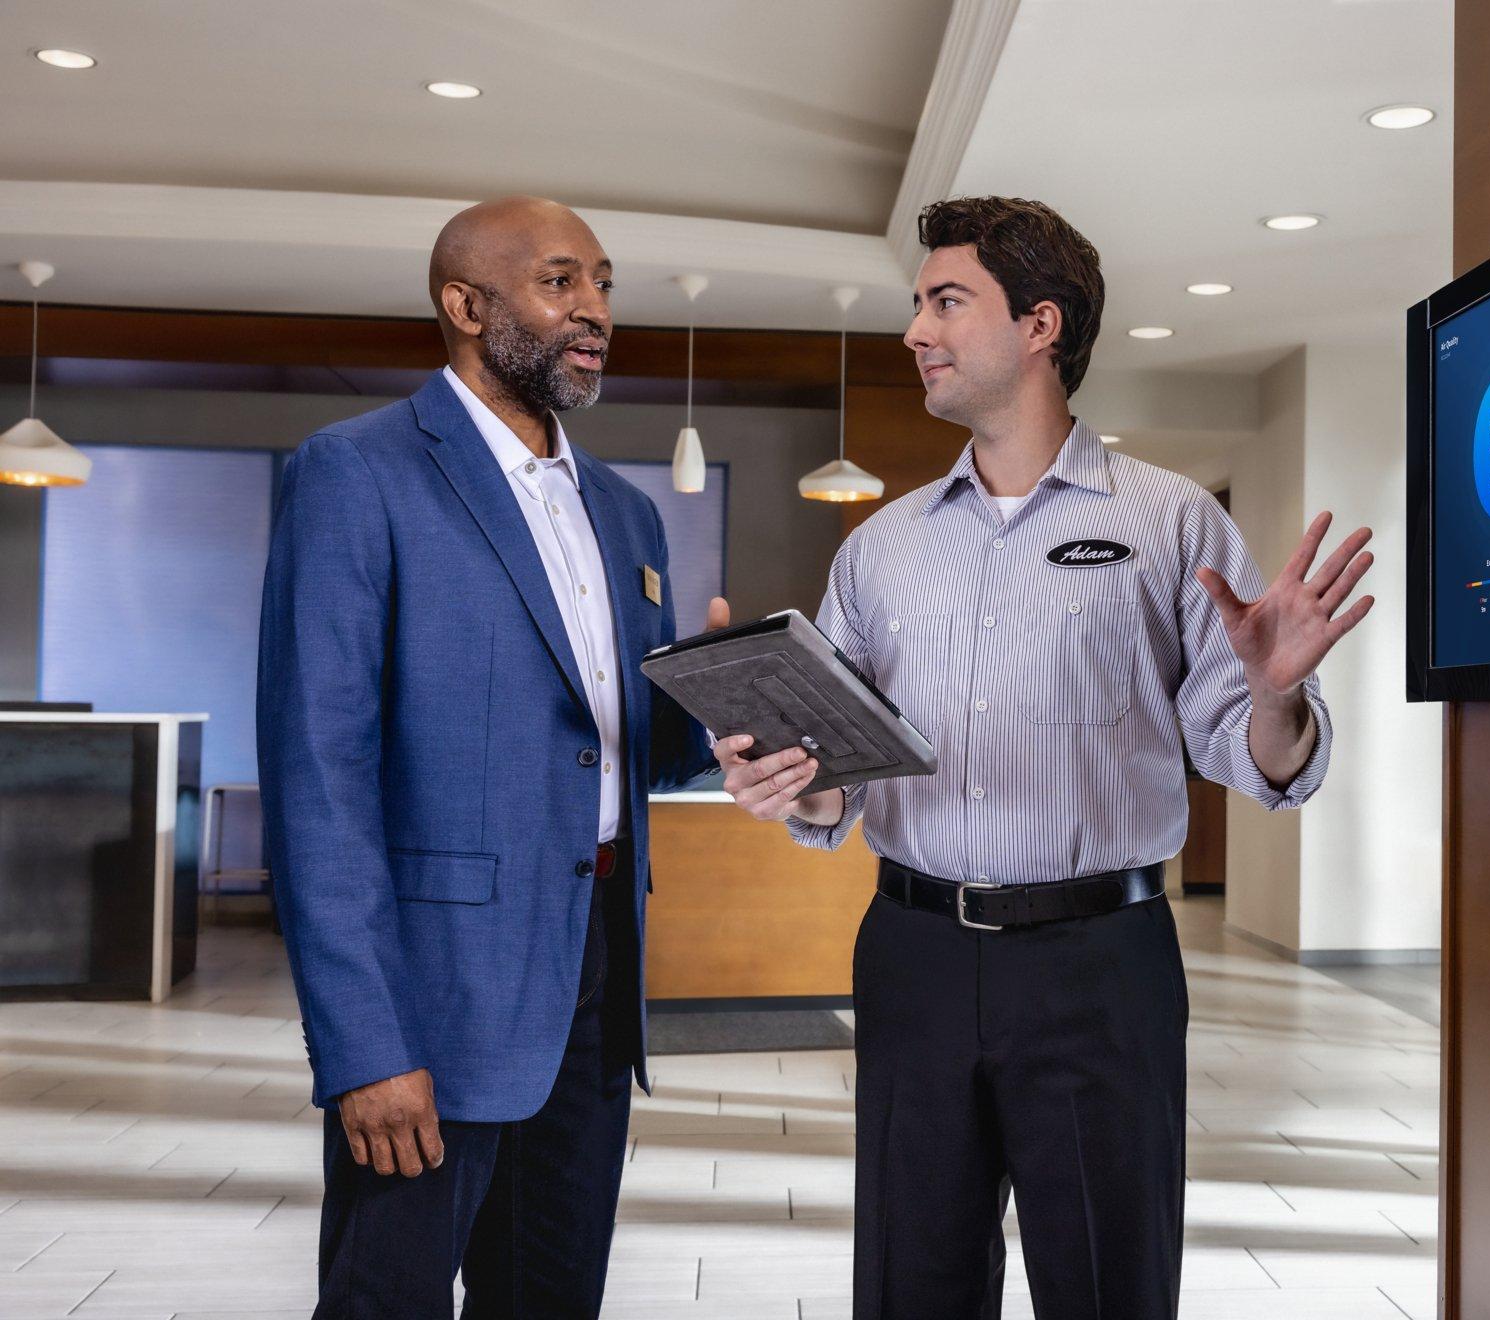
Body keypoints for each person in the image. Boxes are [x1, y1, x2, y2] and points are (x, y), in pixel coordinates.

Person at [714, 196, 1375, 1319]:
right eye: (918, 305)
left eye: (945, 301)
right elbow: (842, 765)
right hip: (913, 954)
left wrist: (1274, 693)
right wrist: (795, 774)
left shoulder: (1171, 526)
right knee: (910, 1282)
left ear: (1039, 325)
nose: (916, 330)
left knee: (1108, 1283)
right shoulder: (882, 550)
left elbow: (1251, 754)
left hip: (1100, 966)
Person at [257, 196, 723, 1318]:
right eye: (562, 281)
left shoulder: (625, 515)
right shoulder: (355, 473)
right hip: (435, 998)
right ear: (465, 305)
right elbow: (318, 782)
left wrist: (720, 702)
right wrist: (365, 1047)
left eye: (604, 283)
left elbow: (625, 753)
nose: (596, 311)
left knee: (554, 1298)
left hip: (596, 978)